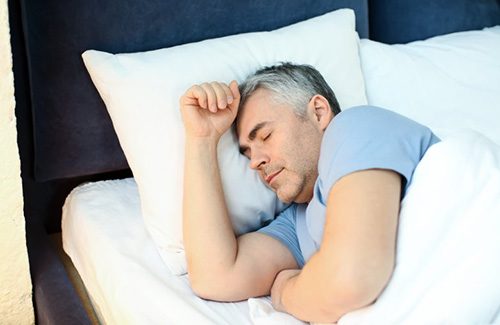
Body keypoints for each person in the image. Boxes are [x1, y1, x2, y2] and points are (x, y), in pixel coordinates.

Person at [179, 63, 439, 323]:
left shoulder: (355, 126)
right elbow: (214, 277)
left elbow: (352, 278)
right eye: (246, 152)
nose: (254, 161)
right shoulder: (297, 221)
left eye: (266, 135)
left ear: (318, 112)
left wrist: (285, 290)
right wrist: (202, 139)